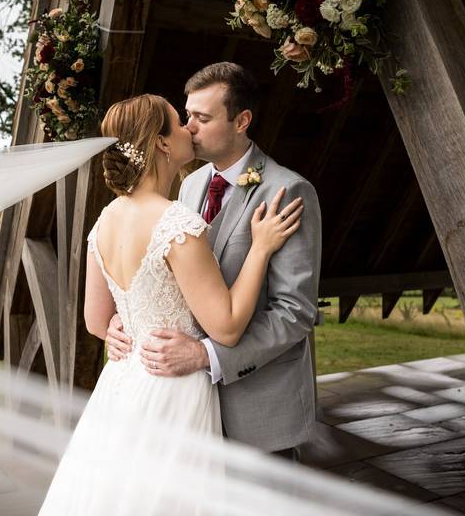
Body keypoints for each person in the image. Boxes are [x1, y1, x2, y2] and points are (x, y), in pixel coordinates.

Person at [38, 93, 304, 514]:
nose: (189, 129)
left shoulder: (106, 217)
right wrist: (260, 248)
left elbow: (94, 320)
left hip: (123, 387)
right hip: (172, 392)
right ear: (162, 143)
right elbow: (228, 325)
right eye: (179, 122)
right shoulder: (177, 223)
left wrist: (121, 331)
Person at [105, 62, 323, 461]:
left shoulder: (287, 190)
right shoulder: (188, 185)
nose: (189, 127)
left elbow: (296, 312)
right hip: (186, 409)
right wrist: (124, 319)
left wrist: (207, 356)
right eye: (187, 115)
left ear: (242, 121)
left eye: (202, 118)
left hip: (260, 409)